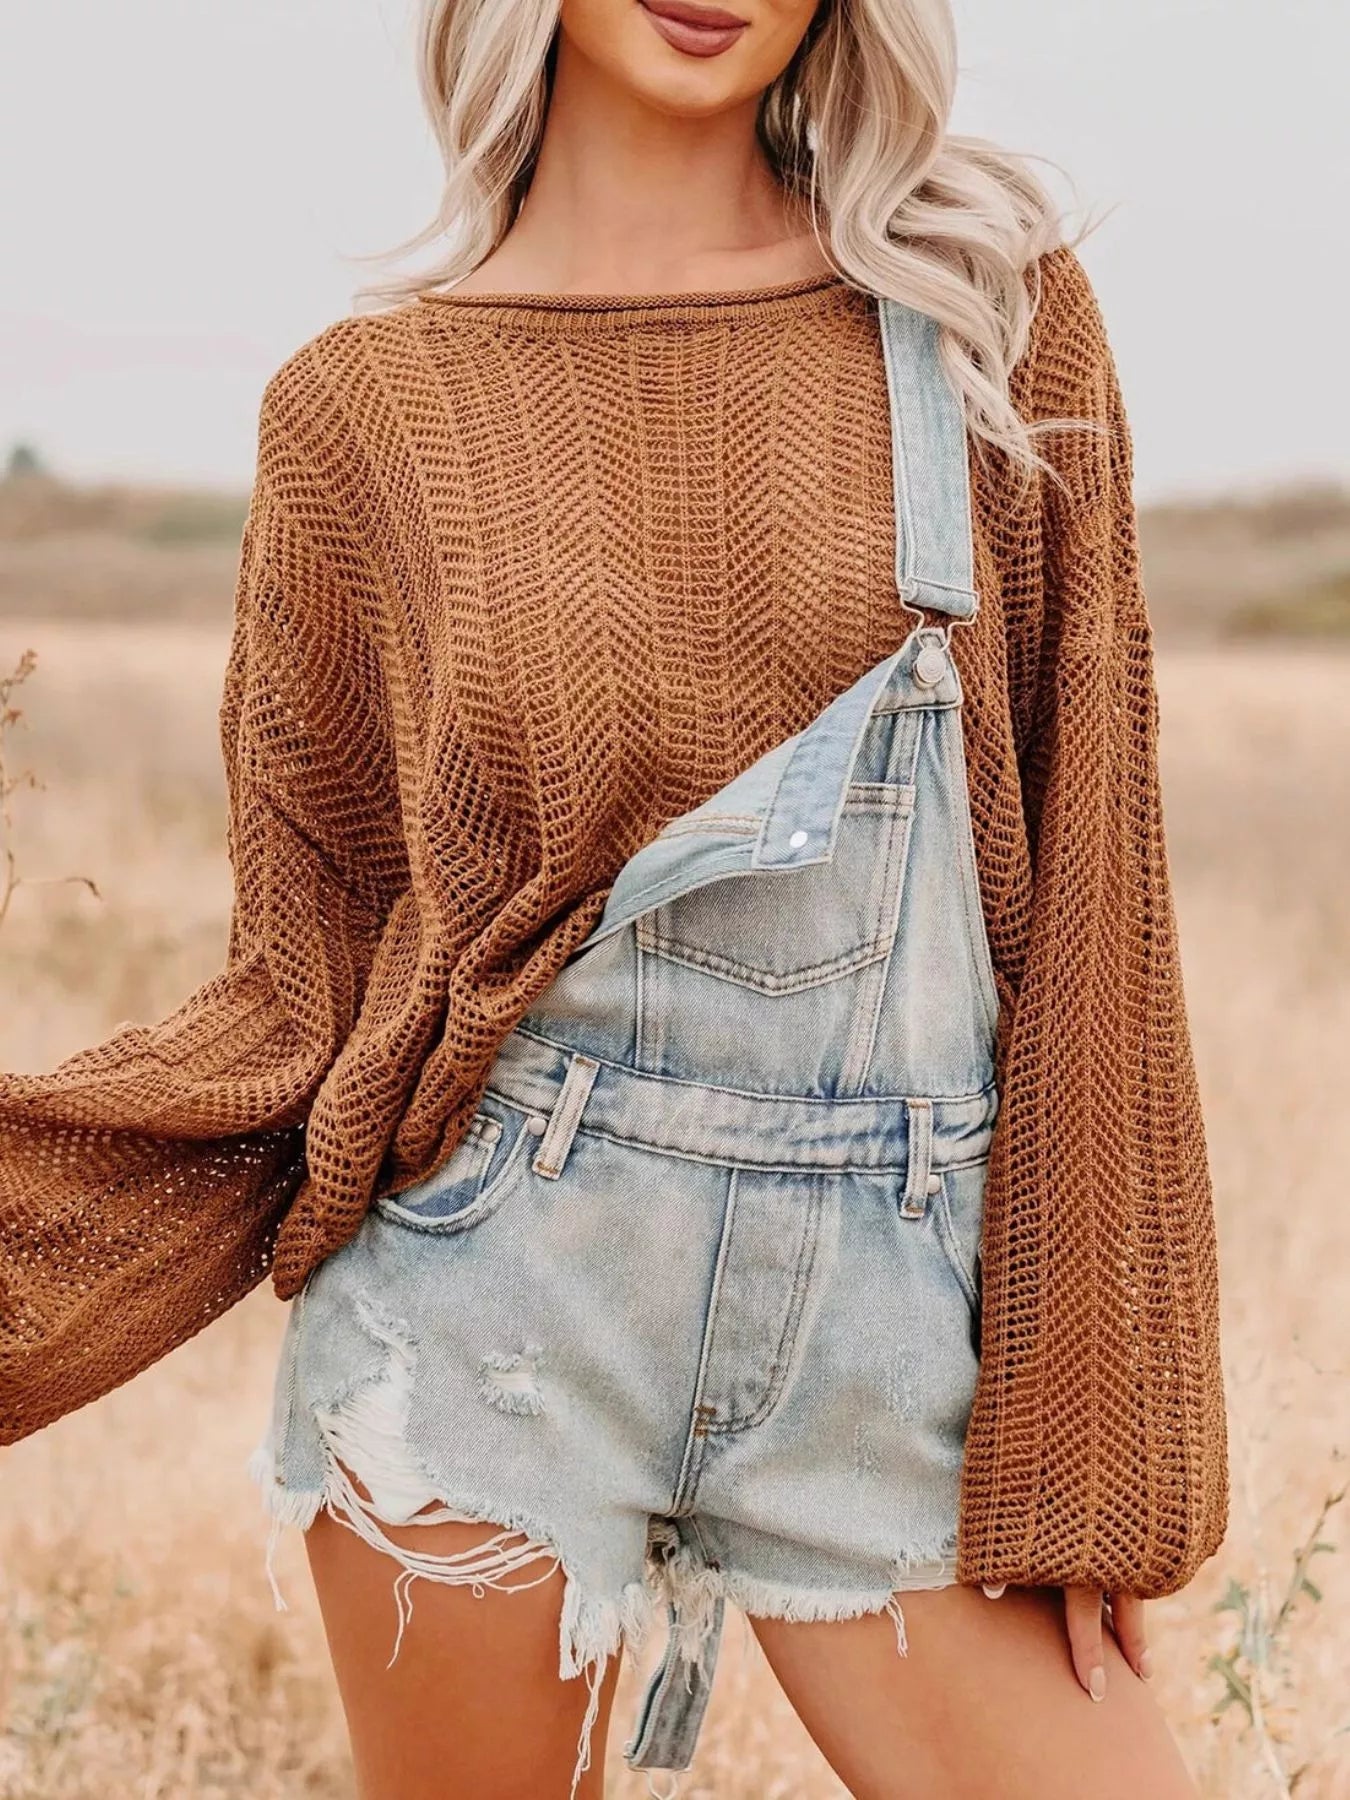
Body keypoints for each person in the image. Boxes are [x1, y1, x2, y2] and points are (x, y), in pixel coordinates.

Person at [0, 2, 1228, 1796]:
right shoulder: (363, 413)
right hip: (490, 1315)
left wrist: (1099, 1446)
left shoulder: (978, 312)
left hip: (893, 1340)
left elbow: (1098, 895)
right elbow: (306, 988)